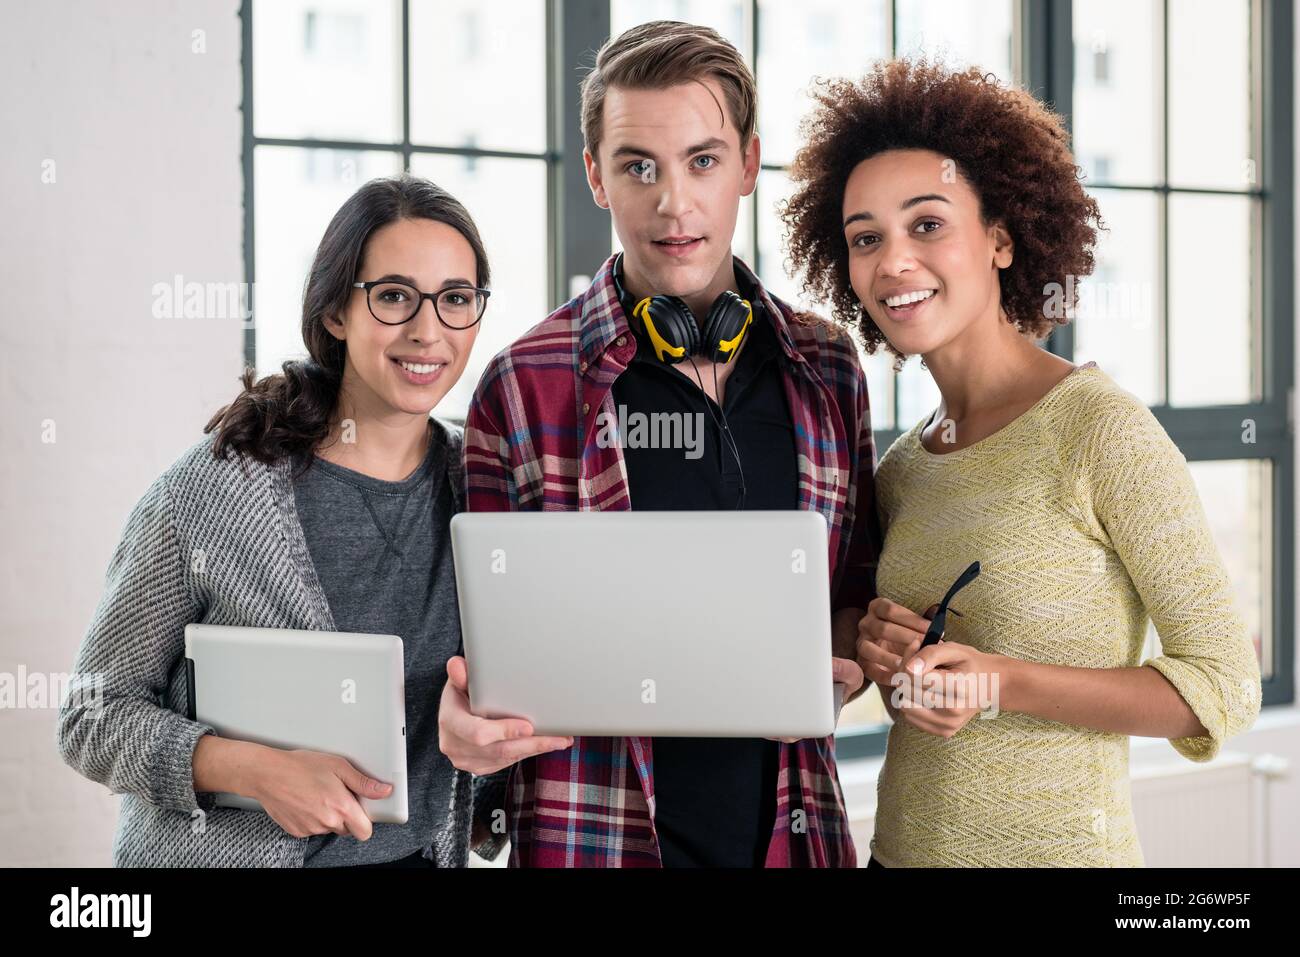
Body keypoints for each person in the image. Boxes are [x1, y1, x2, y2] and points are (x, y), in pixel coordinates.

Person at [782, 58, 1262, 866]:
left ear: (1001, 238)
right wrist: (878, 646)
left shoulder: (1099, 432)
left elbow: (1224, 685)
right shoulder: (904, 466)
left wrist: (998, 680)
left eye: (927, 224)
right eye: (867, 238)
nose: (894, 261)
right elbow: (902, 677)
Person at [439, 20, 881, 867]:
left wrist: (845, 659)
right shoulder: (522, 384)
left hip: (794, 838)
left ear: (749, 164)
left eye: (703, 161)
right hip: (591, 839)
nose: (673, 203)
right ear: (598, 176)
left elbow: (853, 590)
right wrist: (463, 726)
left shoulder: (828, 367)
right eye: (640, 166)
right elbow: (468, 645)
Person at [57, 174, 505, 867]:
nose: (428, 330)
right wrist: (249, 767)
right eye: (392, 296)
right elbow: (92, 712)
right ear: (334, 312)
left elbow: (497, 728)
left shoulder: (483, 488)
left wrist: (490, 770)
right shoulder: (211, 492)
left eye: (455, 300)